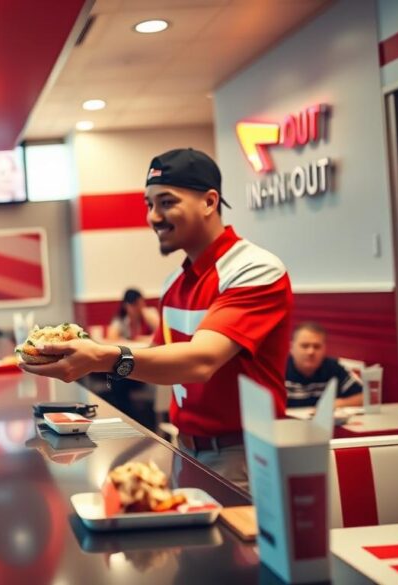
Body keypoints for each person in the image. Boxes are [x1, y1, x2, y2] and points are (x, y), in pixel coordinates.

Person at [20, 148, 292, 492]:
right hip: (186, 450)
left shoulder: (253, 269)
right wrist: (91, 361)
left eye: (166, 202)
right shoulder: (173, 284)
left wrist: (102, 357)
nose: (153, 217)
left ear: (209, 202)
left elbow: (201, 361)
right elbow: (160, 364)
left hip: (245, 457)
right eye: (149, 205)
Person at [285, 322, 363, 408]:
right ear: (291, 347)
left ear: (324, 349)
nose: (311, 352)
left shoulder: (334, 368)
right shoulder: (279, 370)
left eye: (317, 346)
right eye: (305, 346)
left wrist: (339, 403)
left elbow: (364, 397)